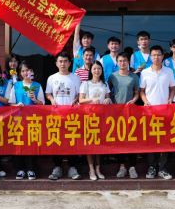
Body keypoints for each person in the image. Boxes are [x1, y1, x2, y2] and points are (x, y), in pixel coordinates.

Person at [140, 46, 175, 180]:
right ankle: (151, 167)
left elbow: (173, 88)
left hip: (165, 111)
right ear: (150, 57)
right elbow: (142, 91)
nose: (156, 57)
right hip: (149, 112)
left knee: (164, 140)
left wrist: (170, 100)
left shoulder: (168, 71)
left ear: (163, 56)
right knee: (151, 140)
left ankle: (162, 167)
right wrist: (145, 101)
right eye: (154, 55)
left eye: (159, 55)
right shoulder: (145, 72)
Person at [46, 52, 83, 181]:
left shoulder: (75, 78)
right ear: (56, 63)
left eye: (65, 61)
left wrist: (75, 100)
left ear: (69, 63)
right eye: (60, 61)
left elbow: (79, 94)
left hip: (72, 115)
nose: (63, 64)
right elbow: (48, 93)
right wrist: (52, 100)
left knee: (72, 140)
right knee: (57, 140)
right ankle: (58, 167)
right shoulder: (52, 78)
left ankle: (72, 167)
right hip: (56, 114)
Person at [9, 62, 45, 180]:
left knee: (31, 144)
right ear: (20, 73)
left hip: (33, 120)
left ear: (32, 72)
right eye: (23, 71)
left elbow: (42, 104)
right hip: (18, 120)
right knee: (19, 144)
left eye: (28, 70)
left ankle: (31, 169)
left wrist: (35, 100)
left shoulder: (37, 86)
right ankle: (19, 169)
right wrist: (17, 105)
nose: (26, 73)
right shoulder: (16, 85)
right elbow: (11, 103)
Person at [109, 53, 140, 179]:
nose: (122, 63)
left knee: (132, 139)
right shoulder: (112, 76)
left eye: (125, 61)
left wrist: (133, 101)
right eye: (120, 61)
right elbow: (108, 93)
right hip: (117, 112)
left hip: (130, 112)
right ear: (117, 62)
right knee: (119, 140)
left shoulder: (134, 76)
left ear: (128, 62)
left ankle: (132, 167)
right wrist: (112, 104)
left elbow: (137, 93)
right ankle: (122, 166)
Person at [79, 61, 112, 181]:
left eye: (99, 68)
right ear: (91, 70)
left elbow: (108, 98)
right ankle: (91, 169)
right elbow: (81, 100)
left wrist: (108, 100)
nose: (97, 71)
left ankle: (98, 168)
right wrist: (92, 99)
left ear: (102, 71)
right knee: (89, 143)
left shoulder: (105, 84)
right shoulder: (85, 83)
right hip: (89, 116)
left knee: (99, 143)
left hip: (101, 117)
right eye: (94, 69)